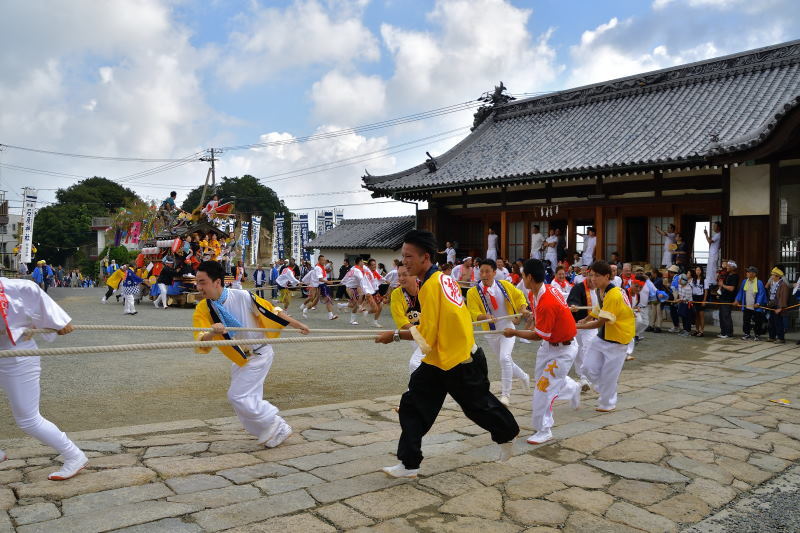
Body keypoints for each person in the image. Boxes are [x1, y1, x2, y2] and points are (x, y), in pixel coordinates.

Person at [375, 230, 519, 478]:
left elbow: (427, 336)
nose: (404, 262)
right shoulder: (441, 279)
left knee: (478, 407)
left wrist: (395, 336)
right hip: (439, 360)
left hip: (460, 360)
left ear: (425, 257)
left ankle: (507, 434)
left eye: (409, 256)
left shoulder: (432, 286)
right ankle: (409, 464)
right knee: (412, 405)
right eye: (402, 256)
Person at [193, 260, 309, 448]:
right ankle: (267, 432)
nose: (199, 287)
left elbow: (273, 311)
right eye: (197, 282)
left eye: (202, 282)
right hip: (241, 357)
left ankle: (276, 423)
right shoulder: (203, 308)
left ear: (217, 282)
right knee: (246, 400)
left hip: (260, 352)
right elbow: (200, 339)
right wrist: (212, 333)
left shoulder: (243, 296)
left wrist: (297, 324)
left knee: (236, 396)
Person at [0, 278, 88, 480]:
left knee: (28, 419)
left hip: (18, 357)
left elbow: (34, 292)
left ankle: (74, 455)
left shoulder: (14, 287)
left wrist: (58, 321)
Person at [503, 258, 579, 444]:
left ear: (529, 277)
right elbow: (541, 320)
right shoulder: (535, 293)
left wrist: (513, 332)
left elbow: (539, 335)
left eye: (522, 276)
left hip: (563, 348)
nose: (521, 279)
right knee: (542, 383)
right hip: (550, 346)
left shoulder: (547, 300)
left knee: (543, 389)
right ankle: (571, 387)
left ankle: (544, 429)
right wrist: (530, 315)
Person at [467, 259, 530, 405]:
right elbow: (473, 311)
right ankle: (524, 376)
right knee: (506, 360)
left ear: (495, 272)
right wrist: (484, 317)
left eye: (487, 271)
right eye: (481, 271)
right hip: (490, 332)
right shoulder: (473, 292)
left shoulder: (505, 286)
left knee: (504, 358)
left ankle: (505, 395)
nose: (484, 274)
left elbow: (519, 296)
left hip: (507, 328)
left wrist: (522, 308)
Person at [576, 261, 635, 412]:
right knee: (587, 367)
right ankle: (602, 386)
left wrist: (577, 326)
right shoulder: (601, 291)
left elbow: (599, 322)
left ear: (607, 276)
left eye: (596, 276)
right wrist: (586, 319)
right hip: (603, 336)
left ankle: (607, 403)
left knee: (610, 374)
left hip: (619, 337)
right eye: (591, 275)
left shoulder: (614, 294)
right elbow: (598, 309)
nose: (593, 279)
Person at [390, 264, 424, 374]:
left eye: (405, 274)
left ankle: (413, 390)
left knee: (416, 364)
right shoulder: (396, 294)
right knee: (426, 363)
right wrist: (417, 331)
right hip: (413, 333)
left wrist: (424, 331)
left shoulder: (426, 288)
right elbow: (400, 319)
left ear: (415, 275)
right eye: (399, 275)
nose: (401, 278)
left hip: (431, 332)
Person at [300, 255, 338, 321]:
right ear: (319, 260)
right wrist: (328, 282)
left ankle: (305, 309)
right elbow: (320, 279)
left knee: (315, 301)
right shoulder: (318, 268)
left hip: (320, 285)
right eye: (322, 260)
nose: (323, 261)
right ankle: (330, 315)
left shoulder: (321, 267)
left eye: (324, 260)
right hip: (320, 285)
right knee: (327, 299)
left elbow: (323, 274)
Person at [734, 266, 766, 341]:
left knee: (757, 321)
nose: (747, 273)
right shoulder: (744, 281)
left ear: (754, 274)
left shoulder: (759, 282)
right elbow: (741, 292)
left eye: (749, 272)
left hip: (756, 306)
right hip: (747, 305)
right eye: (747, 272)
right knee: (746, 320)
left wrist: (758, 303)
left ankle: (757, 335)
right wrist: (737, 300)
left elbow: (761, 293)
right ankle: (747, 334)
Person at [765, 266, 789, 344]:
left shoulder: (783, 284)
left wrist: (780, 308)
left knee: (778, 322)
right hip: (772, 304)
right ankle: (772, 337)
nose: (771, 276)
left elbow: (783, 297)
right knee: (771, 322)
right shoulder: (772, 283)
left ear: (778, 276)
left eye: (773, 275)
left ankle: (781, 338)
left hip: (779, 305)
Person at [717, 260, 739, 339]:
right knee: (721, 315)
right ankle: (723, 332)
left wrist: (722, 285)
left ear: (733, 267)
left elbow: (731, 288)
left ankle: (729, 333)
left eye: (729, 266)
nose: (727, 267)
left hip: (728, 299)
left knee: (726, 315)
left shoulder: (734, 276)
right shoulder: (727, 275)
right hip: (723, 297)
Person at [689, 266, 707, 337]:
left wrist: (704, 301)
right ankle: (697, 330)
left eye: (699, 270)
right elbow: (690, 288)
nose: (698, 271)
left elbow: (706, 291)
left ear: (701, 271)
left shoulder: (705, 280)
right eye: (696, 270)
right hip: (694, 298)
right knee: (696, 316)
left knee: (701, 315)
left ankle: (702, 331)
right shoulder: (693, 280)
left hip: (701, 298)